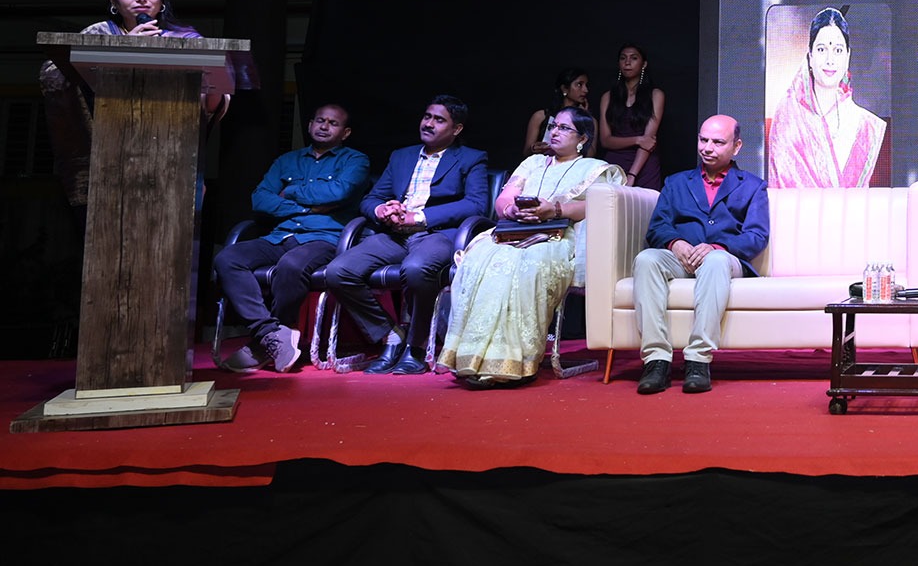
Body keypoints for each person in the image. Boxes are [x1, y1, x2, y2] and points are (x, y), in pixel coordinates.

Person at [439, 108, 623, 387]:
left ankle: (513, 362)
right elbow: (504, 199)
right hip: (513, 232)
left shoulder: (594, 168)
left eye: (564, 128)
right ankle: (470, 358)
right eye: (553, 126)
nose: (555, 132)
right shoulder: (533, 163)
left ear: (582, 139)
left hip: (558, 236)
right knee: (480, 261)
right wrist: (512, 210)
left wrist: (555, 210)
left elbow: (597, 206)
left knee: (526, 266)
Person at [326, 95, 490, 375]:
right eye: (427, 116)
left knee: (416, 269)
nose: (429, 124)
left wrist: (420, 216)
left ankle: (417, 344)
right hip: (394, 234)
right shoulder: (401, 156)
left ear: (456, 129)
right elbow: (372, 198)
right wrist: (381, 209)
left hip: (435, 233)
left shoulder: (471, 158)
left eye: (439, 120)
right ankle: (390, 335)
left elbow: (476, 204)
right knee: (338, 271)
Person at [211, 103, 372, 372]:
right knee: (228, 258)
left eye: (333, 123)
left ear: (345, 133)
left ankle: (266, 343)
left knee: (291, 265)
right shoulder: (286, 161)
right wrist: (306, 208)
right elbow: (260, 199)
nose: (324, 126)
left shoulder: (355, 161)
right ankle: (269, 335)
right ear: (309, 125)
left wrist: (291, 191)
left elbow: (339, 192)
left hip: (323, 237)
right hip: (281, 235)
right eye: (320, 120)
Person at [39, 0, 207, 206]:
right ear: (113, 0)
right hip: (111, 154)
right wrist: (125, 48)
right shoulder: (99, 35)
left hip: (168, 151)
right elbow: (59, 75)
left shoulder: (187, 38)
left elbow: (212, 96)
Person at [631, 115, 770, 395]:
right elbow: (657, 227)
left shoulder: (753, 186)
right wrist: (675, 243)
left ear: (736, 146)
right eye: (703, 140)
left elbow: (757, 236)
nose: (707, 148)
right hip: (682, 257)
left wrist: (717, 247)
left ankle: (698, 360)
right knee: (646, 259)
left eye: (718, 142)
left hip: (725, 259)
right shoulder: (676, 182)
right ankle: (656, 361)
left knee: (715, 261)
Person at [768, 7, 886, 188]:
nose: (830, 59)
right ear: (810, 55)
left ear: (847, 56)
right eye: (822, 49)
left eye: (838, 50)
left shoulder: (866, 126)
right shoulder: (789, 114)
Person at [597, 43, 665, 189]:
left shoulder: (655, 95)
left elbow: (648, 142)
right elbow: (606, 140)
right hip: (615, 164)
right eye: (623, 58)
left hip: (644, 164)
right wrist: (638, 140)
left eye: (633, 58)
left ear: (643, 64)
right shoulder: (608, 97)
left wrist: (632, 174)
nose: (627, 62)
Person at [523, 66, 592, 159]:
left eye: (586, 85)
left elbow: (590, 155)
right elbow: (526, 152)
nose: (585, 90)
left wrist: (584, 120)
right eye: (579, 85)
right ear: (565, 88)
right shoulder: (541, 116)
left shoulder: (590, 120)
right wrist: (534, 148)